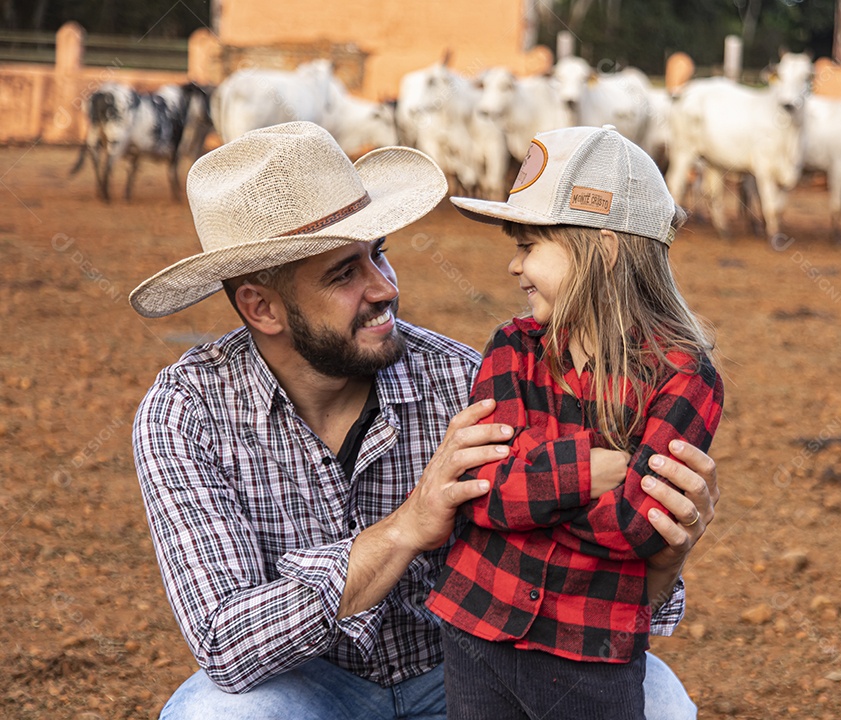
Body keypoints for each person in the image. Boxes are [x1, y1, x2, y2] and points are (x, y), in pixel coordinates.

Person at [129, 122, 718, 720]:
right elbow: (225, 642)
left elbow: (619, 581)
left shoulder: (463, 379)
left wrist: (666, 558)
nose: (385, 288)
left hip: (472, 659)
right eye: (343, 273)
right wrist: (406, 528)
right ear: (261, 307)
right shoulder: (186, 414)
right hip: (309, 686)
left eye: (379, 253)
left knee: (660, 704)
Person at [426, 126, 724, 719]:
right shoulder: (512, 346)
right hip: (476, 631)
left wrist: (529, 486)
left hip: (590, 649)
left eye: (529, 245)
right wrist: (588, 472)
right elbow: (480, 494)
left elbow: (639, 526)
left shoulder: (685, 375)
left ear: (602, 251)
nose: (514, 265)